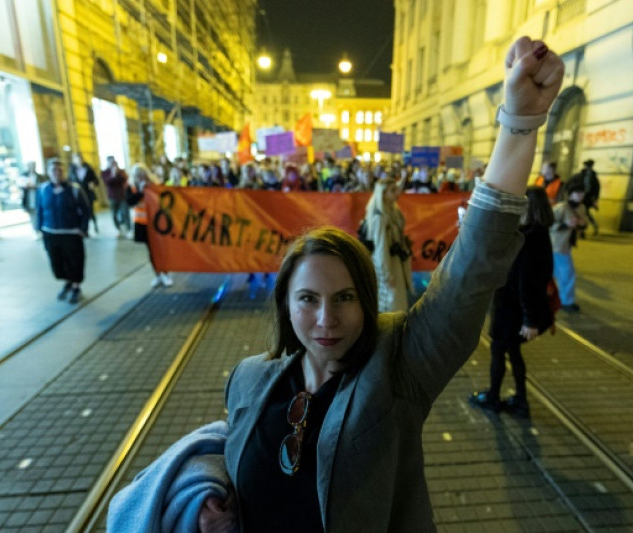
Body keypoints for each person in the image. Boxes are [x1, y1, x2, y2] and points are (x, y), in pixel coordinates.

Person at [196, 36, 563, 532]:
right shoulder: (248, 380)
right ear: (285, 303)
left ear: (367, 301)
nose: (327, 319)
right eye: (308, 299)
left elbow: (472, 269)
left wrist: (519, 124)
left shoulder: (398, 369)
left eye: (345, 297)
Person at [469, 186, 555, 417]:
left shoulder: (529, 239)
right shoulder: (539, 233)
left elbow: (527, 283)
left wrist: (530, 320)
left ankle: (494, 397)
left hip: (512, 309)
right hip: (515, 307)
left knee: (499, 349)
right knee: (512, 351)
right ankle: (520, 400)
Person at [36, 158, 91, 304]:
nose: (57, 173)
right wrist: (39, 229)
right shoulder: (42, 189)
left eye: (60, 170)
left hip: (71, 233)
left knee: (75, 262)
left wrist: (83, 229)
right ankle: (67, 281)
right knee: (57, 264)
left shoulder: (74, 189)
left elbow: (86, 211)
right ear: (48, 172)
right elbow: (39, 210)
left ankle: (76, 287)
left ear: (65, 172)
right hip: (50, 233)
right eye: (53, 170)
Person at [364, 177, 413, 312]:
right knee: (391, 305)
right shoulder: (380, 219)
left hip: (396, 263)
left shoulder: (393, 213)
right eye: (393, 191)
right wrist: (386, 274)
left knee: (398, 303)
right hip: (388, 265)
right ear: (383, 194)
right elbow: (381, 248)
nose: (397, 193)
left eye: (396, 189)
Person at [127, 163, 173, 288]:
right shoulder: (132, 188)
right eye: (137, 176)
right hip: (142, 224)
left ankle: (166, 273)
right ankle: (158, 275)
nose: (139, 178)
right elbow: (129, 201)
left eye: (142, 175)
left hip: (156, 224)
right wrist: (141, 192)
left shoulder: (154, 186)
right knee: (151, 251)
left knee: (160, 250)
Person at [550, 183, 587, 312]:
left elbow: (583, 224)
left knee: (553, 271)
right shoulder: (561, 207)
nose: (580, 196)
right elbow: (549, 224)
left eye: (582, 193)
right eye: (577, 193)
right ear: (570, 194)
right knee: (567, 273)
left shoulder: (581, 208)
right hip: (557, 245)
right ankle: (567, 301)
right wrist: (566, 225)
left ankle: (553, 297)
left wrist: (582, 225)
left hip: (567, 245)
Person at [70, 153, 101, 235]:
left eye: (80, 159)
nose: (78, 161)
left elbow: (96, 180)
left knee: (89, 210)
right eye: (76, 159)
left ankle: (94, 225)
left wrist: (93, 183)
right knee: (80, 212)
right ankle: (85, 229)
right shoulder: (72, 170)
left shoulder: (88, 169)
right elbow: (69, 181)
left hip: (88, 193)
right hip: (77, 195)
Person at [568, 159, 600, 236]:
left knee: (584, 212)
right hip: (579, 197)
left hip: (587, 198)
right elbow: (571, 184)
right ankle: (586, 229)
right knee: (583, 212)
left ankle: (585, 229)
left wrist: (595, 200)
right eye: (588, 166)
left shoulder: (593, 177)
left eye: (590, 166)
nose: (588, 167)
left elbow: (596, 189)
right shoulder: (581, 176)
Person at [102, 156, 131, 238]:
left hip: (122, 195)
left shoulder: (121, 171)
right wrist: (113, 175)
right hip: (112, 196)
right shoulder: (106, 172)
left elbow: (124, 179)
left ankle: (128, 229)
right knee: (114, 215)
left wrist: (117, 173)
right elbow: (107, 182)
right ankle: (119, 229)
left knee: (125, 213)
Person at [19, 161, 47, 237]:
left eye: (33, 165)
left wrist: (35, 186)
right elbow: (21, 185)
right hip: (29, 199)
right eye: (30, 165)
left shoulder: (40, 176)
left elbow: (43, 186)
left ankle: (40, 230)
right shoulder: (23, 175)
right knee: (32, 216)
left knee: (39, 215)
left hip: (38, 199)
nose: (32, 167)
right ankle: (36, 231)